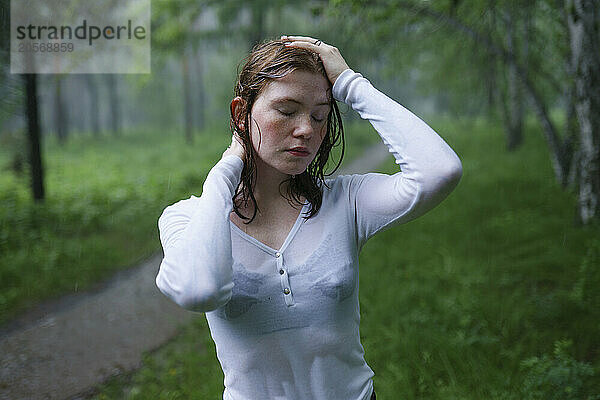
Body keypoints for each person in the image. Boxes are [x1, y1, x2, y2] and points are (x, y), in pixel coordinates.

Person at [155, 35, 462, 400]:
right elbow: (198, 289)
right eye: (286, 111)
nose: (307, 130)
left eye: (320, 116)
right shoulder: (187, 218)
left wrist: (350, 82)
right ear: (241, 113)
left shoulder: (344, 201)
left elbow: (439, 171)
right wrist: (226, 171)